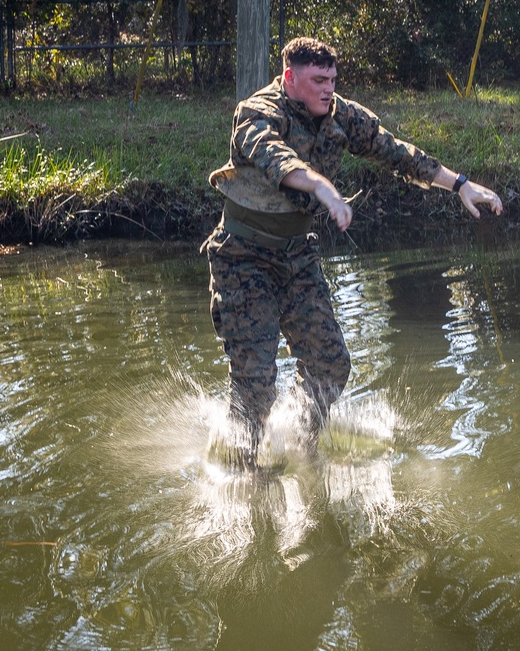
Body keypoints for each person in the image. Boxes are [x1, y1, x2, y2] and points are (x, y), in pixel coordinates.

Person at [202, 37, 503, 465]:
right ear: (290, 78)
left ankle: (297, 445)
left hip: (296, 257)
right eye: (318, 80)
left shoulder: (341, 114)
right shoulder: (257, 112)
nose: (328, 88)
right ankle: (241, 471)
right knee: (255, 380)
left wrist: (459, 185)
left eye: (333, 80)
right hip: (243, 256)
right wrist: (322, 186)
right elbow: (274, 155)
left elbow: (395, 151)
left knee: (330, 366)